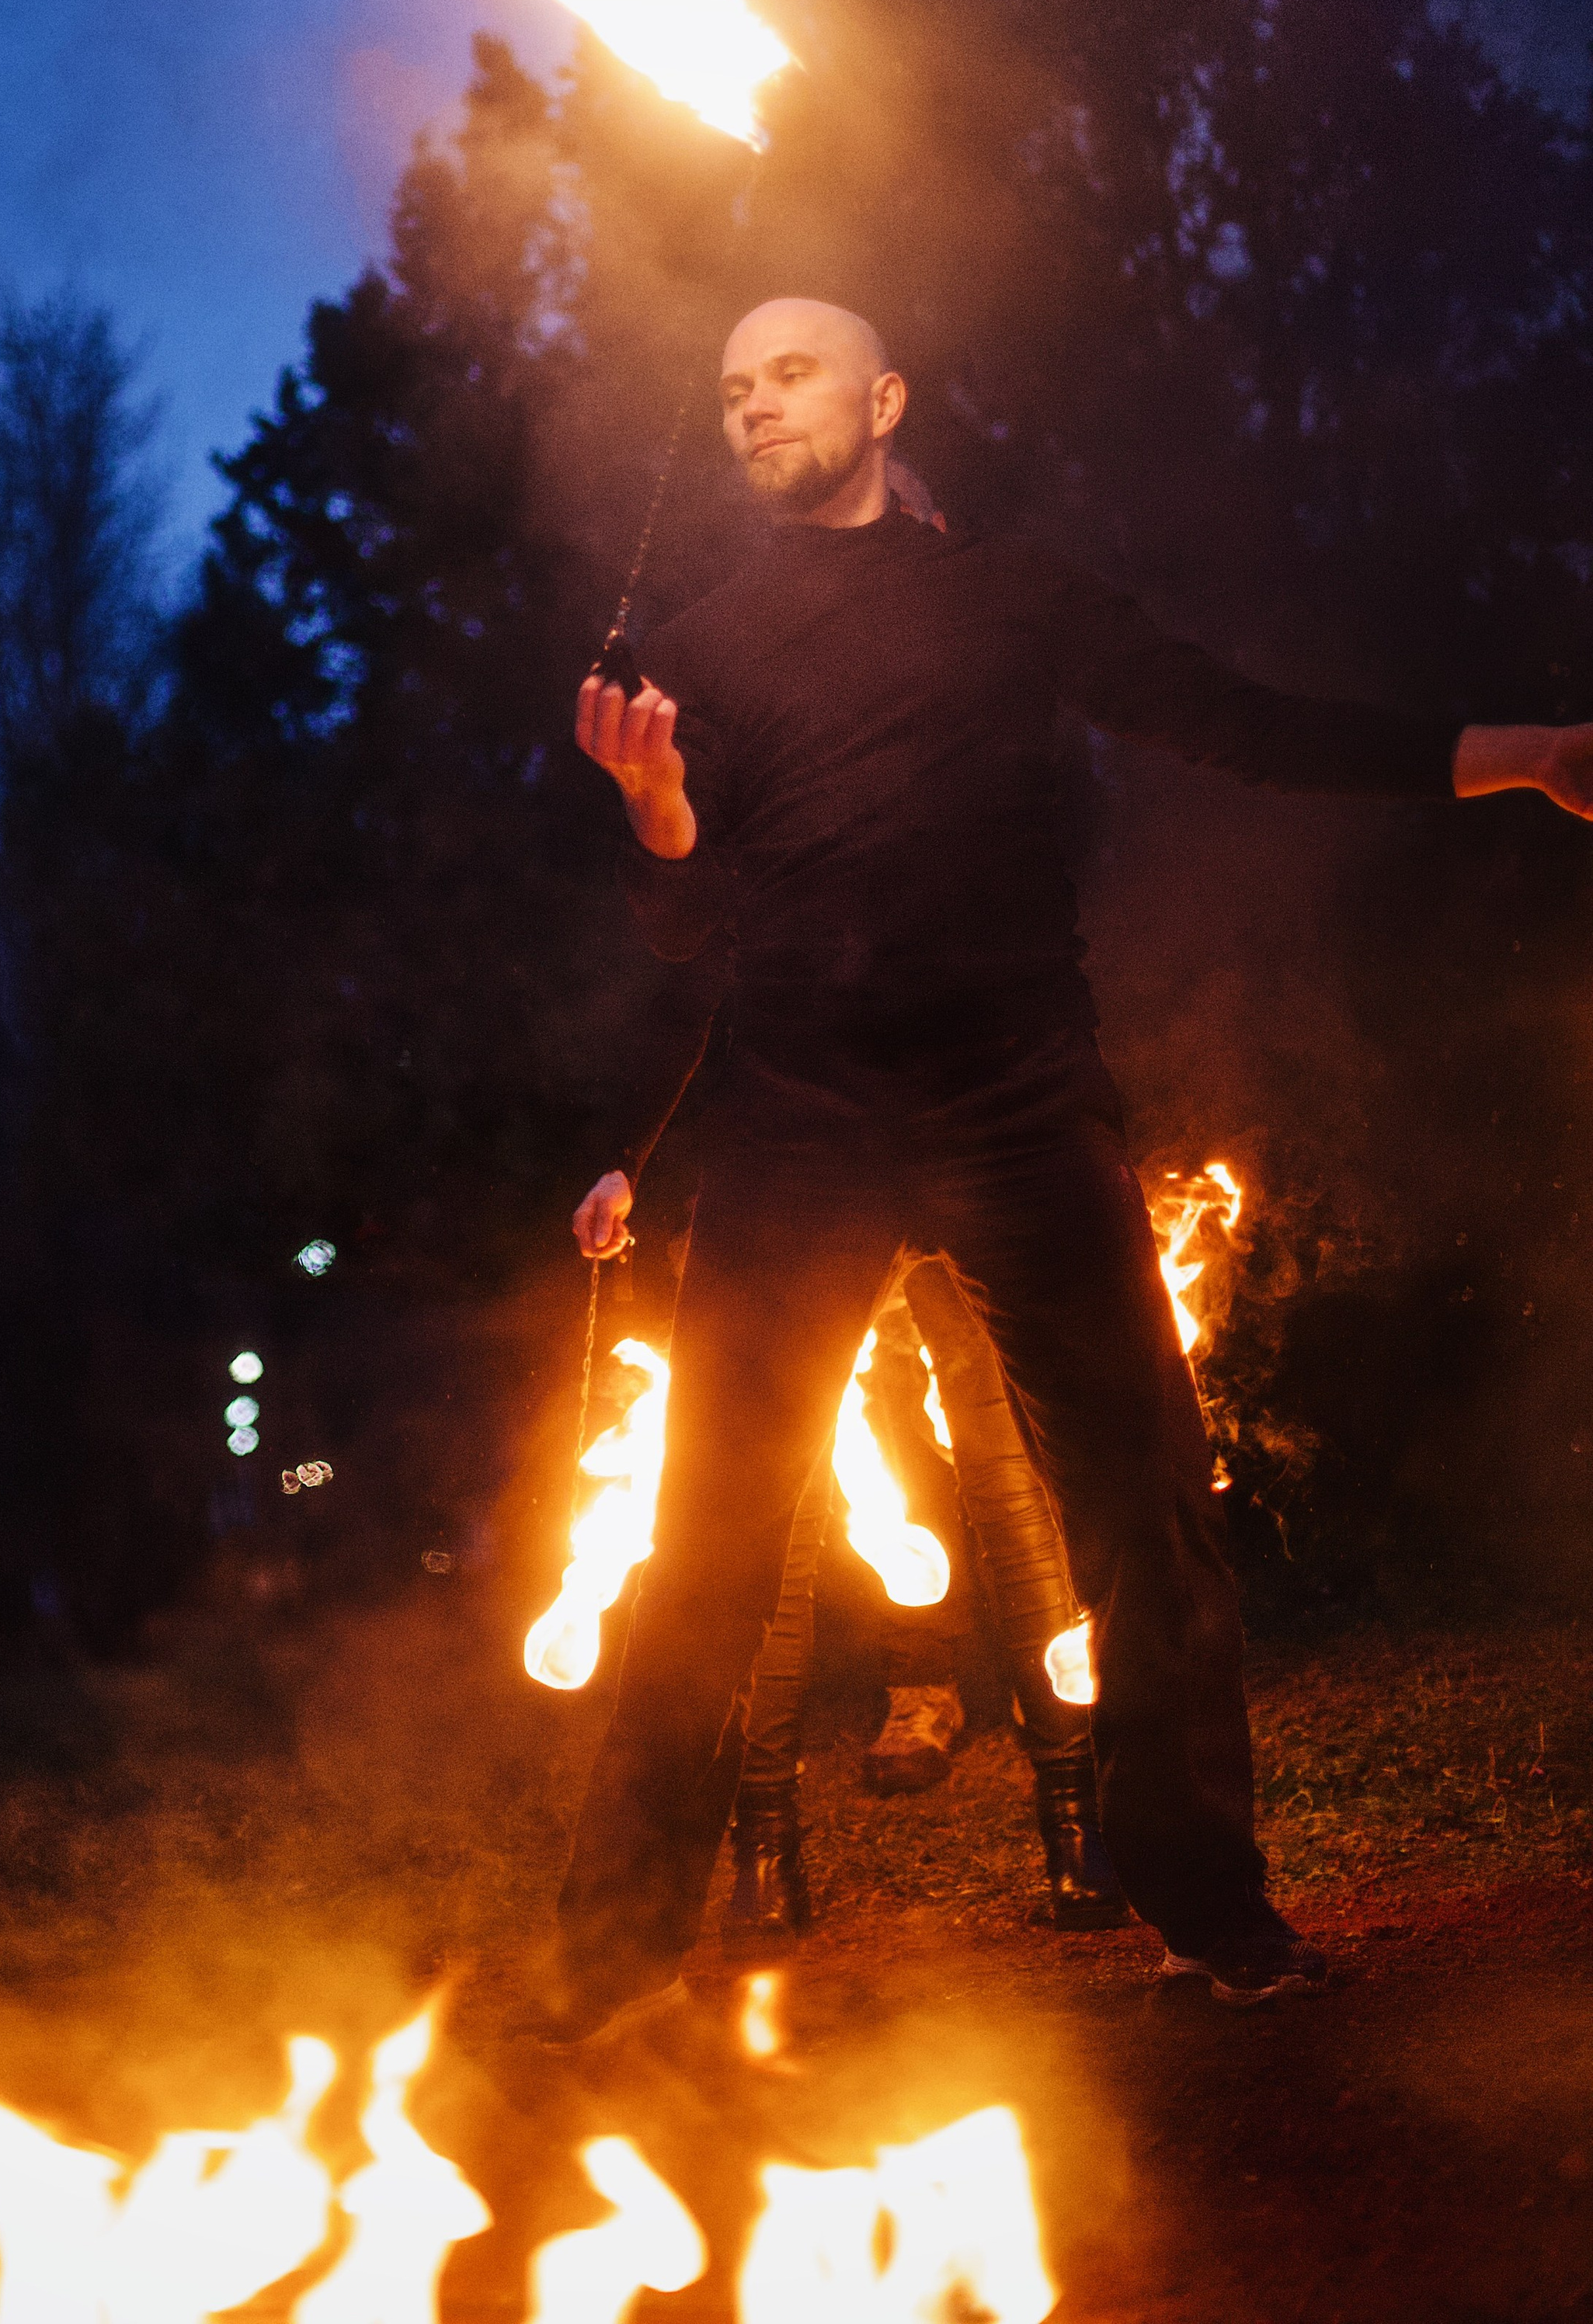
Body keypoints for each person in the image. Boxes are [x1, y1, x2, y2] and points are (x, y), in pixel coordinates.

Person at [534, 294, 1593, 2029]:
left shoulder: (1006, 597)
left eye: (789, 372)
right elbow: (685, 922)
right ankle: (604, 1956)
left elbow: (1241, 723)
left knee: (1146, 1518)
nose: (752, 405)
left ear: (883, 398)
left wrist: (1523, 758)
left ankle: (1201, 1903)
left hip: (1017, 1101)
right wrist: (651, 807)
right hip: (798, 1126)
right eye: (728, 387)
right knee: (709, 1539)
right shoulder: (700, 649)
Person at [572, 976, 1126, 1944]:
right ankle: (769, 1850)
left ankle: (1075, 1833)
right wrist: (626, 1155)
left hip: (935, 1144)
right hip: (824, 1159)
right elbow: (701, 973)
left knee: (1001, 1480)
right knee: (775, 1507)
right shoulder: (777, 870)